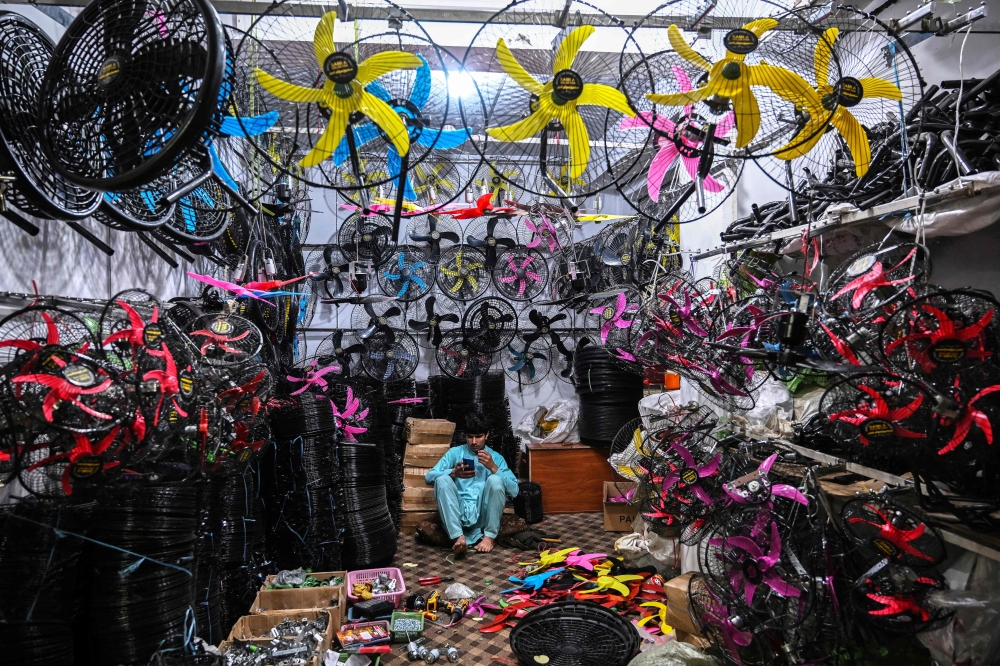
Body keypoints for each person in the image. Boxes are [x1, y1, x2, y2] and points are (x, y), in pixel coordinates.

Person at [425, 412, 518, 554]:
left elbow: (514, 491)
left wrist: (493, 468)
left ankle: (489, 537)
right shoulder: (455, 453)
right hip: (458, 512)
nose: (474, 442)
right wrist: (453, 473)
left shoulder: (495, 457)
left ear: (486, 435)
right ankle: (458, 536)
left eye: (478, 436)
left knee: (495, 480)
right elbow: (429, 476)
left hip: (483, 514)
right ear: (465, 436)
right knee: (442, 479)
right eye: (470, 437)